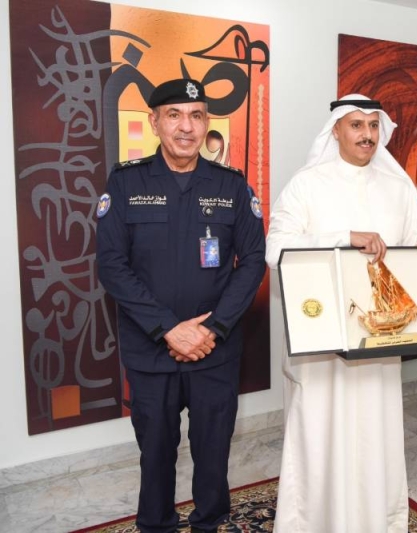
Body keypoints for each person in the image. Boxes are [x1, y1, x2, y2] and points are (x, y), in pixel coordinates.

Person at [96, 78, 266, 533]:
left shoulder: (232, 186)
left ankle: (210, 523)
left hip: (215, 351)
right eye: (174, 115)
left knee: (213, 450)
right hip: (151, 350)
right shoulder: (126, 183)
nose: (186, 127)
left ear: (207, 124)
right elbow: (111, 265)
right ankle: (156, 525)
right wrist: (169, 329)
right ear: (154, 122)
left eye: (196, 116)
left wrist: (212, 329)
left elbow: (253, 261)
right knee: (155, 452)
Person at [265, 94, 417, 533]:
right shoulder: (307, 184)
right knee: (321, 433)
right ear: (336, 130)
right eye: (356, 125)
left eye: (373, 126)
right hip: (322, 342)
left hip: (377, 342)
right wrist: (345, 237)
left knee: (374, 434)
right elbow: (275, 249)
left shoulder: (398, 189)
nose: (367, 135)